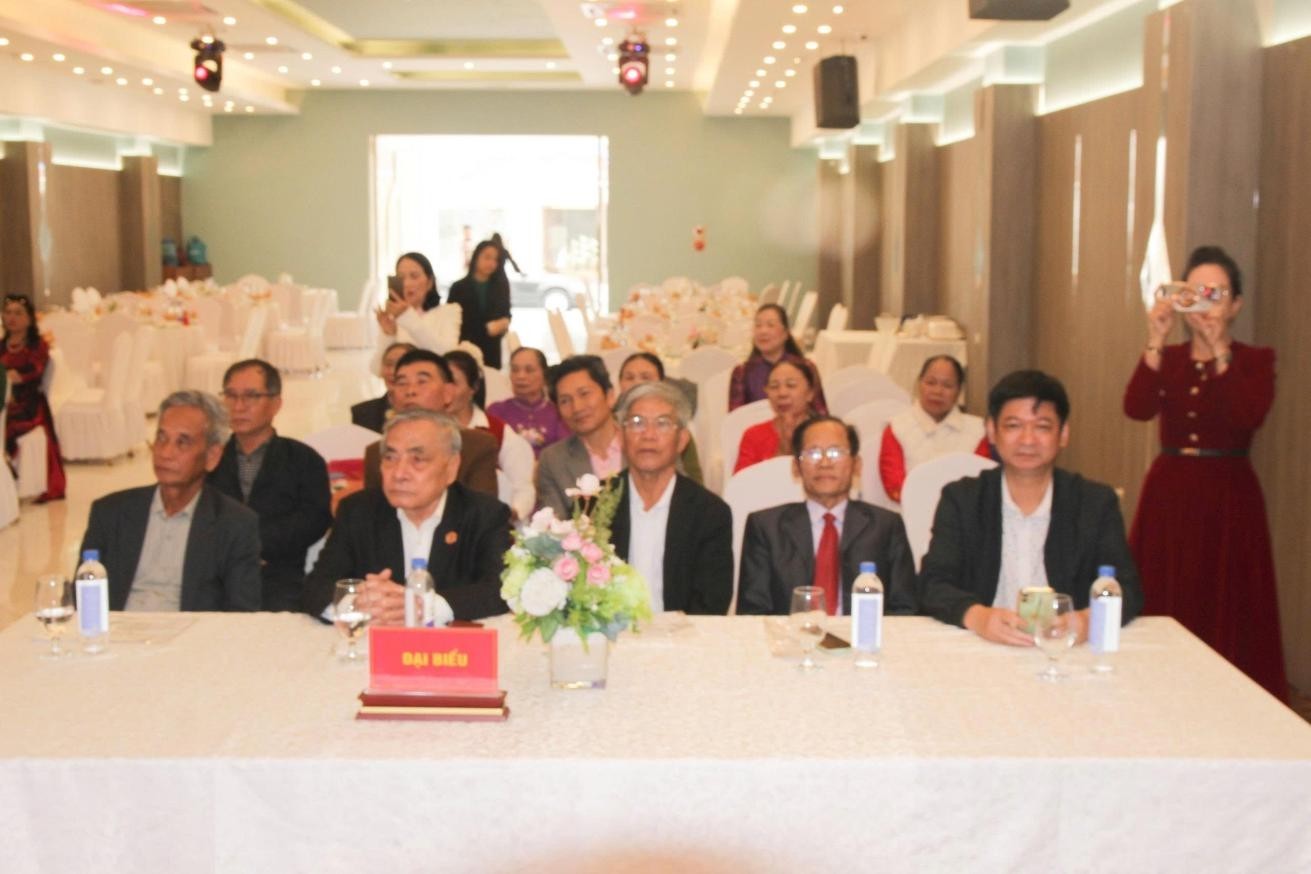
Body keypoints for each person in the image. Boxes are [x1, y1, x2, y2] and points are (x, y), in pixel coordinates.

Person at [1123, 245, 1286, 698]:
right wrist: (1155, 338)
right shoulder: (1170, 357)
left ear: (1236, 305)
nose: (1204, 304)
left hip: (1228, 493)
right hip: (1170, 491)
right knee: (1165, 590)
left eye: (1216, 293)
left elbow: (1246, 414)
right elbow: (1136, 408)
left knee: (1227, 597)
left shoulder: (1255, 360)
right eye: (1194, 292)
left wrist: (1218, 351)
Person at [919, 370, 1143, 645]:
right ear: (991, 431)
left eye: (1042, 427)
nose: (1027, 440)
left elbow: (1126, 588)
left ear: (1063, 434)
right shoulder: (962, 499)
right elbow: (933, 583)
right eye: (1013, 425)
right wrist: (980, 618)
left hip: (1065, 649)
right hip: (983, 644)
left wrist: (1087, 620)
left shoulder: (1094, 502)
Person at [304, 410, 511, 623]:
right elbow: (317, 587)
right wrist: (358, 604)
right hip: (375, 638)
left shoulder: (485, 515)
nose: (399, 473)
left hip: (451, 642)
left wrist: (425, 607)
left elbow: (502, 588)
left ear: (451, 468)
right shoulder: (357, 511)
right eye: (390, 458)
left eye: (417, 459)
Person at [79, 390, 261, 611]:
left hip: (192, 631)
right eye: (161, 438)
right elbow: (83, 597)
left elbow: (241, 613)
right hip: (119, 628)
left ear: (212, 457)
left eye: (182, 442)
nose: (165, 453)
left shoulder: (235, 524)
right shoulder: (110, 513)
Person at [737, 415, 917, 616]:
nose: (824, 463)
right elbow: (752, 613)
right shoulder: (765, 527)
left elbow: (905, 609)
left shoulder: (886, 526)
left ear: (856, 464)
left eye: (835, 452)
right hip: (791, 633)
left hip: (864, 634)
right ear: (796, 467)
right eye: (813, 453)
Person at [208, 359, 332, 612]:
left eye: (251, 396)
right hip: (214, 574)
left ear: (276, 404)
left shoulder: (303, 459)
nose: (239, 406)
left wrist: (253, 546)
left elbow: (315, 519)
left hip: (278, 576)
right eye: (231, 396)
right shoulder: (209, 458)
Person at [609, 382, 732, 614]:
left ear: (682, 439)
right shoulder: (593, 504)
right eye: (637, 423)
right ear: (621, 437)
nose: (648, 435)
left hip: (683, 634)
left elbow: (711, 603)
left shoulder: (710, 513)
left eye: (662, 424)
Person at [361, 349, 498, 499]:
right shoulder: (377, 453)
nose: (410, 391)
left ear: (448, 393)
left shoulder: (476, 446)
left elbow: (483, 510)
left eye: (422, 382)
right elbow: (374, 510)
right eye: (402, 383)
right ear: (392, 397)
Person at [879, 355, 990, 502]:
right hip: (910, 512)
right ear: (919, 384)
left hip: (964, 513)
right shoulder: (896, 428)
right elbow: (894, 485)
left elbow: (983, 484)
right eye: (930, 383)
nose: (937, 391)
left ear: (959, 390)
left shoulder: (979, 430)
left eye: (947, 385)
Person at [445, 348, 535, 520]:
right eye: (442, 382)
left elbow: (523, 489)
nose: (446, 391)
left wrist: (507, 517)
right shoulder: (428, 429)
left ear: (473, 387)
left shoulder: (496, 431)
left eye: (453, 383)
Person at [536, 355, 621, 517]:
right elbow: (555, 524)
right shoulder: (553, 460)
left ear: (609, 396)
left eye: (584, 394)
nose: (577, 407)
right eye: (565, 401)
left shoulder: (643, 443)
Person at [1, 294, 65, 501]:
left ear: (29, 319)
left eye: (18, 313)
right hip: (4, 400)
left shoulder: (38, 346)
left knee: (8, 424)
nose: (12, 318)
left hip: (29, 404)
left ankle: (9, 475)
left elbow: (33, 372)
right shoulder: (2, 345)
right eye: (8, 313)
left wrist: (12, 376)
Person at [617, 351, 702, 483]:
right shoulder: (609, 424)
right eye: (629, 378)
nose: (637, 383)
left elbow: (695, 480)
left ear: (662, 383)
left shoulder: (675, 427)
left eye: (645, 377)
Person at [372, 252, 460, 376]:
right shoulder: (394, 319)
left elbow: (448, 357)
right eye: (401, 277)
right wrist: (388, 335)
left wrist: (407, 316)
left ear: (429, 282)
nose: (407, 284)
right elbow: (377, 370)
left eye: (414, 276)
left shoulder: (448, 311)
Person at [728, 303, 827, 414]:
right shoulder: (743, 372)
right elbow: (736, 417)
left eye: (770, 325)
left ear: (785, 333)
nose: (763, 331)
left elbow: (821, 413)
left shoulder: (806, 367)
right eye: (758, 325)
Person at [734, 359, 818, 473]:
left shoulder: (826, 433)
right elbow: (741, 481)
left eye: (791, 385)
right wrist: (782, 450)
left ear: (810, 393)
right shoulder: (754, 435)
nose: (782, 393)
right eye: (774, 386)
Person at [487, 346, 569, 458]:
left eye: (529, 370)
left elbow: (566, 454)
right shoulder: (496, 411)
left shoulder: (558, 412)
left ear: (544, 375)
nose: (520, 376)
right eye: (515, 370)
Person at [446, 240, 512, 369]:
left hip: (492, 349)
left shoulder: (500, 287)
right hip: (466, 346)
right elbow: (452, 319)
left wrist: (504, 322)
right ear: (476, 256)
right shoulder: (459, 287)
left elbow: (506, 313)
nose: (491, 263)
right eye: (487, 257)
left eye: (495, 260)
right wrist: (486, 328)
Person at [352, 341, 413, 433]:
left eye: (400, 364)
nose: (392, 371)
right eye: (388, 364)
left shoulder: (429, 412)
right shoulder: (363, 412)